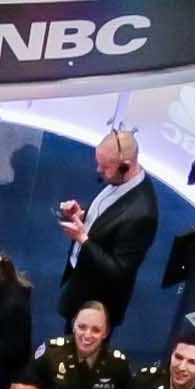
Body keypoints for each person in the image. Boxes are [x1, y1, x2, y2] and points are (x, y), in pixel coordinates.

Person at [56, 124, 162, 332]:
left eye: (105, 167)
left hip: (97, 302)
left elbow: (119, 271)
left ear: (126, 166)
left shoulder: (142, 214)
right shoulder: (120, 183)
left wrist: (83, 238)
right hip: (81, 282)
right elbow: (109, 221)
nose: (99, 171)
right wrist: (83, 216)